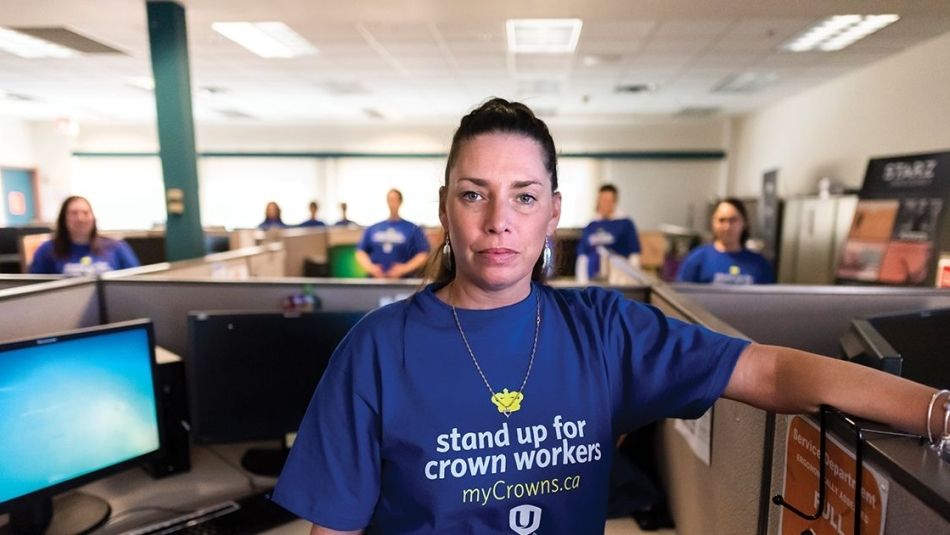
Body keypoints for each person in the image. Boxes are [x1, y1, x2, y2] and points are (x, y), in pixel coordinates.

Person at [273, 98, 943, 534]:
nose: (499, 220)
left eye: (525, 197)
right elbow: (331, 528)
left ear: (554, 213)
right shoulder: (376, 351)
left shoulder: (605, 329)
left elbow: (768, 370)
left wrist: (938, 410)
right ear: (446, 207)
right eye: (474, 194)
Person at [29, 195, 140, 276]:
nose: (80, 219)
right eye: (74, 213)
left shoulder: (117, 247)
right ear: (63, 219)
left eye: (85, 213)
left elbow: (135, 283)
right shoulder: (46, 250)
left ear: (93, 217)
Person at [676, 198, 775, 284]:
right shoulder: (697, 259)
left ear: (744, 223)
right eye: (722, 220)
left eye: (733, 220)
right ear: (713, 223)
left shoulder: (759, 264)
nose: (727, 227)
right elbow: (680, 297)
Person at [354, 189, 430, 279]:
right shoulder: (373, 228)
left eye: (395, 200)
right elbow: (360, 252)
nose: (392, 203)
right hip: (376, 281)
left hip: (404, 282)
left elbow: (423, 254)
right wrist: (371, 268)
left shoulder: (412, 229)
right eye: (390, 200)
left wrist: (404, 269)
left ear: (400, 202)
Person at [575, 184, 641, 282]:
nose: (605, 204)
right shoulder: (591, 225)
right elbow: (582, 257)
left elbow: (634, 254)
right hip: (593, 280)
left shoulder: (625, 223)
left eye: (608, 200)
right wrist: (581, 282)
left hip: (618, 279)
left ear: (615, 201)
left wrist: (634, 281)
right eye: (602, 200)